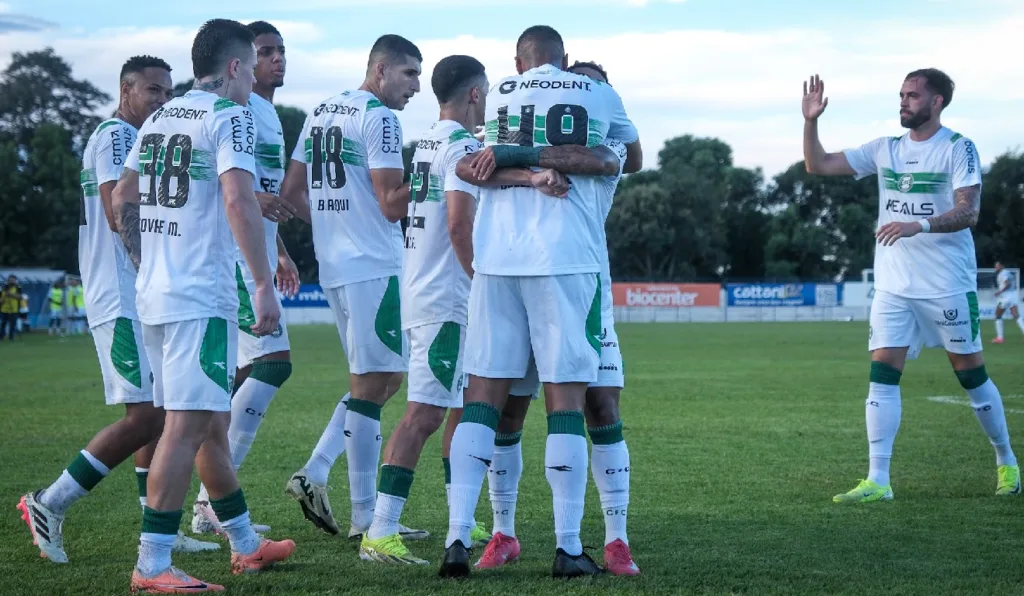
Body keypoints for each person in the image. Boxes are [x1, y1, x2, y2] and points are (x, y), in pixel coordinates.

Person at [439, 25, 639, 579]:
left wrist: (513, 156)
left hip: (498, 262)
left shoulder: (499, 93)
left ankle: (456, 539)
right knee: (566, 401)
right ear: (566, 61)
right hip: (565, 262)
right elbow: (624, 155)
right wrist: (537, 167)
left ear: (517, 61)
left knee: (482, 397)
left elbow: (476, 162)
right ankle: (569, 547)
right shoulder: (599, 96)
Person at [357, 54, 565, 565]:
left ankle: (462, 518)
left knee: (459, 408)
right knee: (423, 413)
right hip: (445, 296)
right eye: (488, 91)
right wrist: (482, 282)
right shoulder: (461, 147)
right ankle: (379, 531)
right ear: (476, 94)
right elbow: (457, 225)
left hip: (427, 290)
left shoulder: (431, 139)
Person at [112, 19, 295, 592]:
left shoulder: (163, 116)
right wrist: (263, 285)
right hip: (200, 296)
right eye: (249, 71)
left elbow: (123, 195)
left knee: (212, 424)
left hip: (158, 294)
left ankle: (244, 542)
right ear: (237, 67)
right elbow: (240, 200)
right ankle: (153, 563)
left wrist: (147, 261)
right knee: (187, 427)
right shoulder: (228, 115)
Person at [17, 55, 219, 565]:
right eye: (153, 90)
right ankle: (49, 501)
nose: (163, 100)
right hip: (122, 294)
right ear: (126, 90)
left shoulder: (145, 138)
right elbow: (117, 210)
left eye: (169, 92)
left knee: (162, 413)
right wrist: (153, 267)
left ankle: (161, 529)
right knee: (148, 415)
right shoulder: (116, 136)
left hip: (140, 292)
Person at [801, 69, 1020, 503]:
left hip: (947, 284)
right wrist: (811, 121)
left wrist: (916, 224)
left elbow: (968, 212)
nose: (903, 102)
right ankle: (878, 480)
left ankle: (1007, 461)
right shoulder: (885, 149)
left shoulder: (959, 148)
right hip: (894, 286)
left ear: (936, 102)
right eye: (901, 94)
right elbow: (817, 164)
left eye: (913, 95)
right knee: (882, 374)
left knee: (971, 376)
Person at [282, 34, 426, 543]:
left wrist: (330, 225)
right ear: (380, 69)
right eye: (409, 74)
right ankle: (355, 507)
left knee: (380, 381)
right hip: (374, 263)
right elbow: (391, 203)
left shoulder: (321, 111)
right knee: (377, 384)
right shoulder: (380, 117)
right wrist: (439, 175)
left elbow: (291, 194)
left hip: (337, 265)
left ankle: (330, 482)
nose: (416, 86)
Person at [191, 19, 301, 538]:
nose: (275, 59)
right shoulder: (235, 110)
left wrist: (279, 250)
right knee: (273, 364)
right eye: (265, 51)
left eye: (280, 51)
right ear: (241, 61)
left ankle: (210, 499)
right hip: (231, 256)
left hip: (250, 251)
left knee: (239, 376)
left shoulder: (266, 113)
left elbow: (257, 190)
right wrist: (260, 219)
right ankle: (212, 501)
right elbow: (226, 186)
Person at [992, 261, 1024, 343]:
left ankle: (1000, 338)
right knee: (1016, 315)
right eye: (995, 266)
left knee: (997, 315)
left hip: (1004, 297)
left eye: (997, 266)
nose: (996, 268)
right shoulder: (1008, 272)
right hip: (1013, 295)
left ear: (1002, 266)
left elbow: (1007, 284)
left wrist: (999, 292)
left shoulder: (1003, 273)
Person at [1, 275, 20, 340]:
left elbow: (20, 297)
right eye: (10, 279)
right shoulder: (4, 287)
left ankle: (11, 337)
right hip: (4, 308)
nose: (11, 281)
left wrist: (11, 294)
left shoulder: (18, 287)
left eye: (13, 279)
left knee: (12, 324)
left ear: (15, 280)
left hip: (13, 309)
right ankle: (1, 336)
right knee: (3, 323)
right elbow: (1, 297)